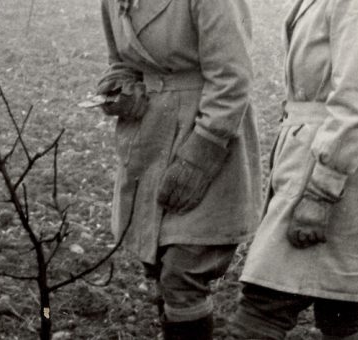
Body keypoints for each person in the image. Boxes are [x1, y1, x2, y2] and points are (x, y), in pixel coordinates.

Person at [229, 0, 358, 339]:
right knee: (339, 315)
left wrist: (321, 192)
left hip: (337, 170)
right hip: (316, 157)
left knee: (262, 312)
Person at [95, 0, 262, 338]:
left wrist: (200, 157)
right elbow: (121, 62)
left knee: (183, 271)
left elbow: (231, 78)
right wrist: (119, 89)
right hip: (150, 139)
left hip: (208, 131)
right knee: (158, 267)